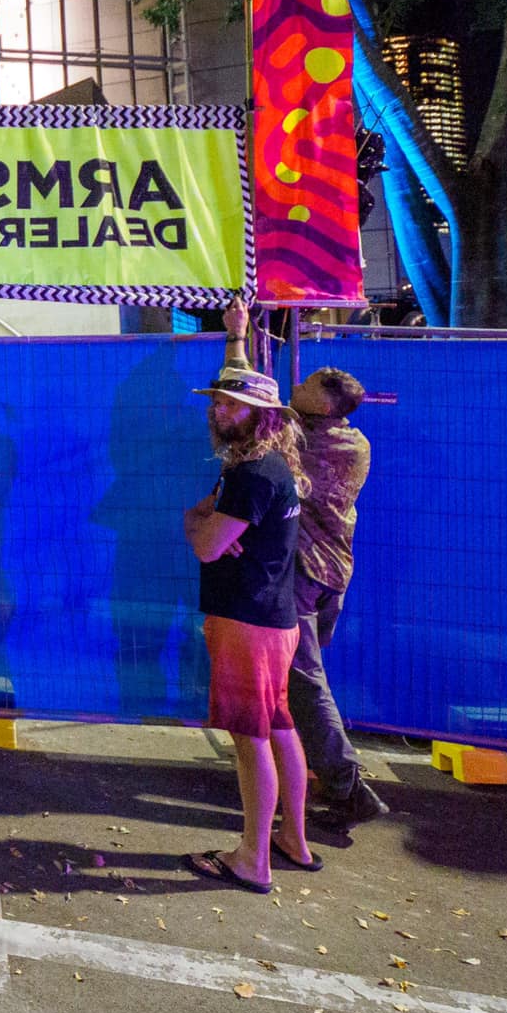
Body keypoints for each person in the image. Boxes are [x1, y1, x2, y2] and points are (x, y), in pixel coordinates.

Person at [222, 302, 385, 827]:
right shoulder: (353, 441)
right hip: (334, 571)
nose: (300, 380)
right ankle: (305, 771)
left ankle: (346, 785)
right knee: (299, 681)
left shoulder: (304, 440)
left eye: (311, 380)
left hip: (303, 574)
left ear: (326, 402)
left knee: (302, 681)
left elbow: (247, 399)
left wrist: (239, 337)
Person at [181, 364, 317, 892]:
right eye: (217, 402)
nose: (219, 412)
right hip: (274, 620)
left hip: (246, 621)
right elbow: (210, 525)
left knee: (250, 738)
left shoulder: (250, 476)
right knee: (279, 727)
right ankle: (293, 842)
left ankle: (252, 861)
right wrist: (206, 522)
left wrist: (197, 524)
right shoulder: (273, 469)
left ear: (262, 417)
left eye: (231, 405)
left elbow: (205, 540)